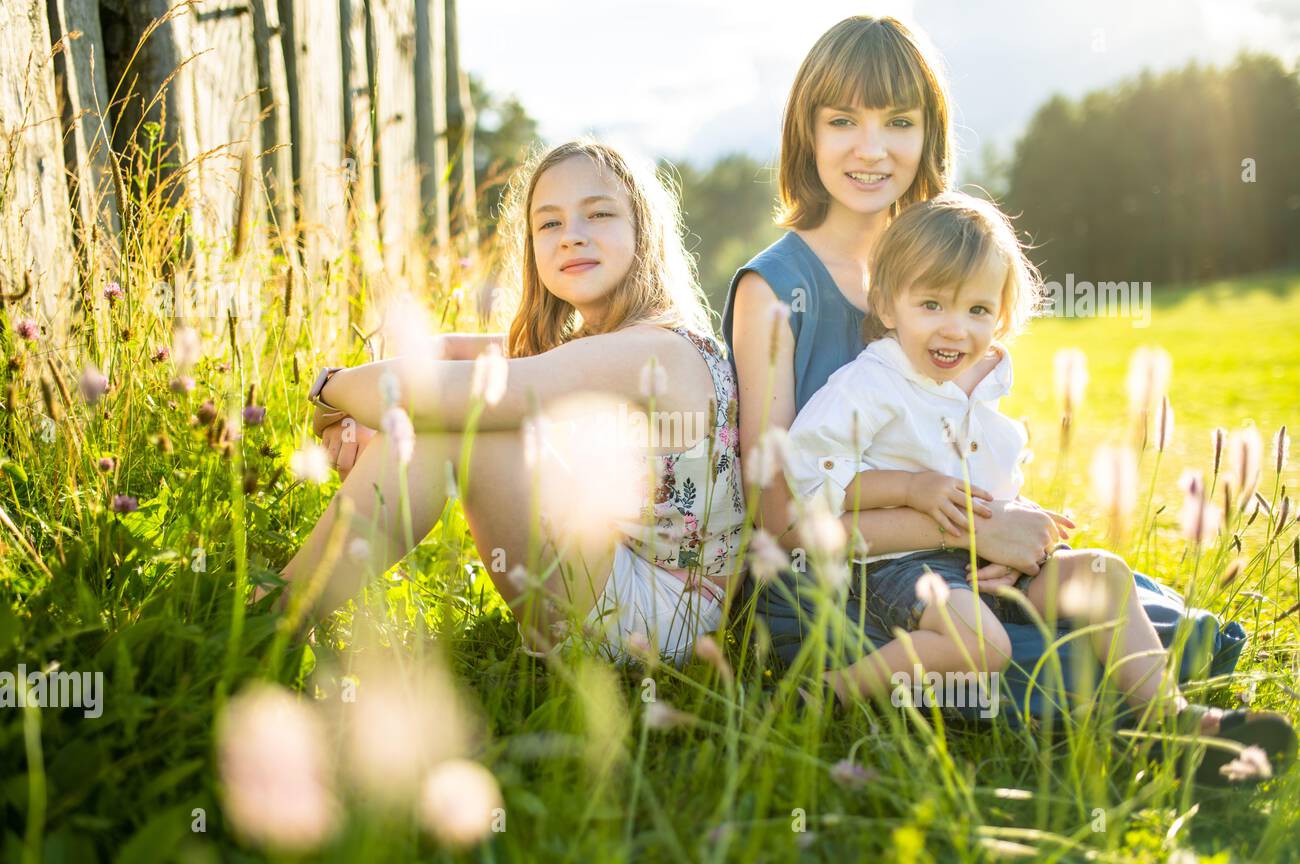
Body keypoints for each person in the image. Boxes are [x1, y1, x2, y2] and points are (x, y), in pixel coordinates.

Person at [722, 15, 1257, 756]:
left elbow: (958, 447)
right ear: (805, 133)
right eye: (842, 120)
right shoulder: (776, 289)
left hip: (950, 561)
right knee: (1045, 659)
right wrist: (970, 526)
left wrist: (1008, 522)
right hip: (835, 576)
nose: (871, 148)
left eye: (898, 122)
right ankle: (1135, 729)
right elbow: (779, 513)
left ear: (928, 134)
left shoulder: (937, 264)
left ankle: (1164, 719)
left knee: (1113, 594)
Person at [783, 192, 1297, 785]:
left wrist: (1020, 525)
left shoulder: (985, 383)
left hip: (984, 563)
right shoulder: (867, 385)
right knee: (983, 646)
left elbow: (993, 490)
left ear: (1000, 315)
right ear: (887, 304)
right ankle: (831, 694)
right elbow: (810, 478)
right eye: (932, 304)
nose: (956, 329)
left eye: (977, 310)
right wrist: (911, 485)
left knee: (1103, 574)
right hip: (900, 567)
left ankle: (1170, 720)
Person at [253, 140, 746, 667]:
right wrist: (367, 417)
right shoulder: (594, 344)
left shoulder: (653, 349)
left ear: (643, 233)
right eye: (549, 224)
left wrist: (329, 389)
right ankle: (276, 618)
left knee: (466, 424)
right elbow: (440, 353)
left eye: (599, 214)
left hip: (663, 619)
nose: (572, 236)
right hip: (623, 585)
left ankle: (271, 620)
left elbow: (443, 392)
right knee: (447, 416)